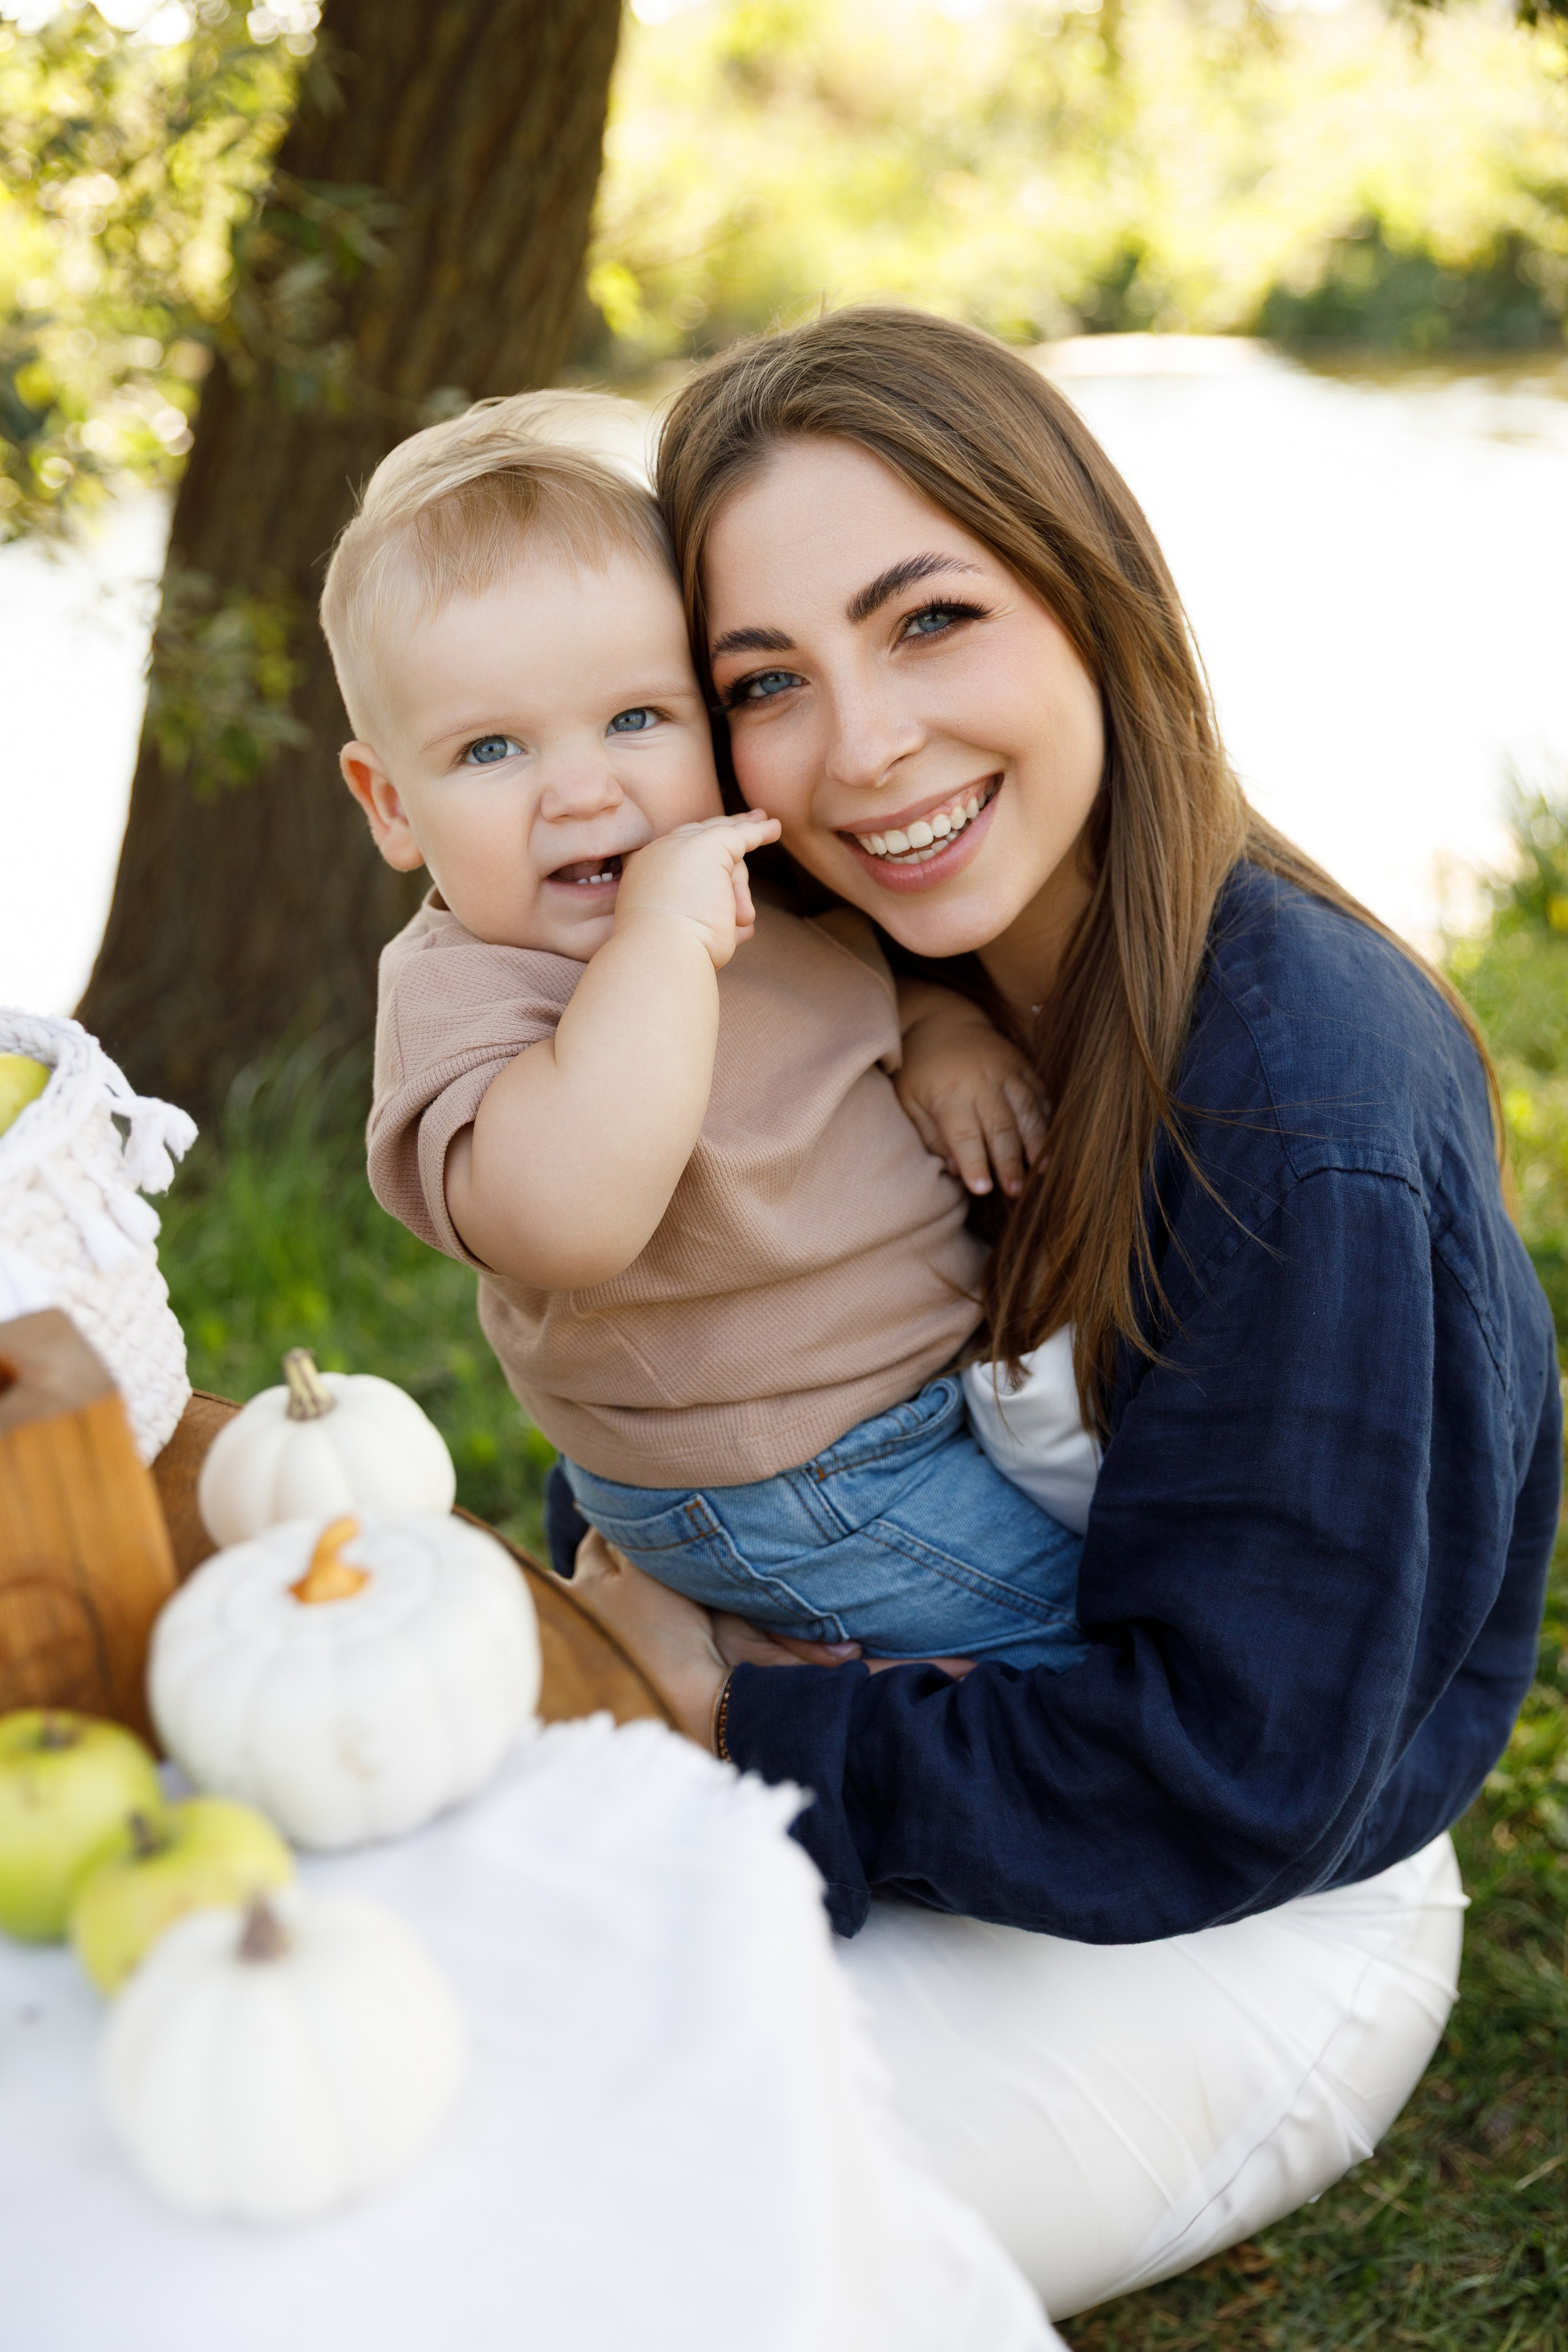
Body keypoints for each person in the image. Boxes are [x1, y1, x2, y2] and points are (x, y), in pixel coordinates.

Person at [552, 307, 1562, 2318]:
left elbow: (1237, 1772)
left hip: (1240, 1921)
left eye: (930, 621)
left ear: (1091, 597)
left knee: (634, 2205)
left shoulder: (1307, 1107)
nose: (863, 748)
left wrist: (705, 1711)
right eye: (771, 681)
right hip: (918, 1783)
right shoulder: (795, 1004)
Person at [320, 391, 1098, 1676]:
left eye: (636, 719)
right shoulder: (475, 986)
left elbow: (837, 988)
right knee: (1080, 1657)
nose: (584, 791)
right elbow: (568, 1217)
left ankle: (721, 1671)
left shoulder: (734, 876)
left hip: (905, 1406)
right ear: (391, 805)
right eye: (492, 748)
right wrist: (660, 949)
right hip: (779, 1477)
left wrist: (934, 1031)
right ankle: (709, 1684)